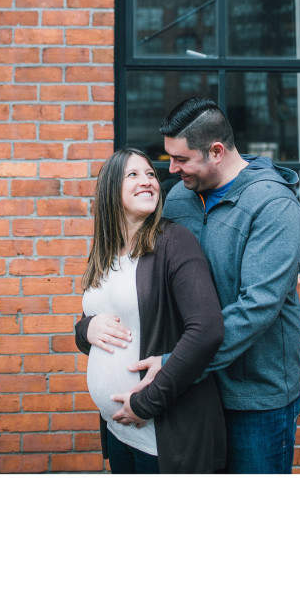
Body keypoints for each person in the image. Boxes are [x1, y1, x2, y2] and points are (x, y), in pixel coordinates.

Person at [114, 97, 300, 474]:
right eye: (169, 158)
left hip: (256, 396)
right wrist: (90, 326)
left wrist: (174, 366)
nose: (171, 169)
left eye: (181, 159)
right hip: (193, 392)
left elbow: (258, 307)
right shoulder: (180, 199)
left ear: (216, 151)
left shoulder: (273, 206)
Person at [73, 148, 226, 473]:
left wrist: (146, 403)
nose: (147, 182)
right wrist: (85, 330)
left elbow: (207, 330)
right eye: (133, 175)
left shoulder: (174, 242)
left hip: (162, 434)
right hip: (119, 429)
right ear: (110, 189)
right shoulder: (106, 253)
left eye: (150, 175)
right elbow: (95, 324)